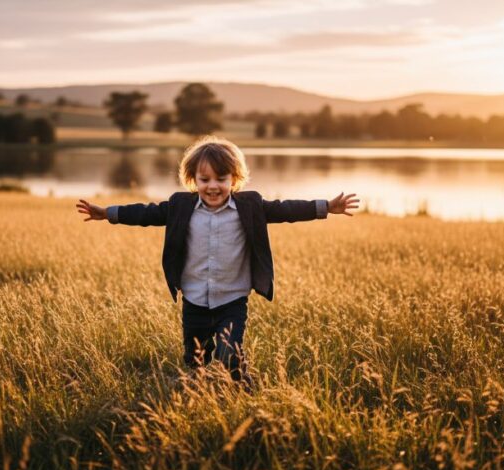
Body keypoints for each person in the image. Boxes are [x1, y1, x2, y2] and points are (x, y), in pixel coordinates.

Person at [76, 136, 359, 390]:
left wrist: (325, 207)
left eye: (221, 179)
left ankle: (243, 386)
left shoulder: (250, 206)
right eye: (205, 179)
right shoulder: (180, 205)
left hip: (232, 300)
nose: (213, 186)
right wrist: (108, 213)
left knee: (229, 354)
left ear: (234, 180)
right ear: (193, 180)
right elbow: (146, 213)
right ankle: (199, 390)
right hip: (195, 300)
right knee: (195, 359)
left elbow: (286, 209)